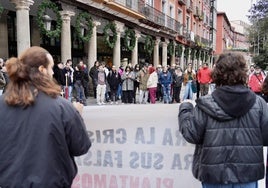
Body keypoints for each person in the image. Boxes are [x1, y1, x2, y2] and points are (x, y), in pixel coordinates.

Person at [0, 46, 91, 187]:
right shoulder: (61, 107)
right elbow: (81, 146)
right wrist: (77, 114)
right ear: (42, 70)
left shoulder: (3, 103)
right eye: (51, 68)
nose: (53, 72)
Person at [178, 52, 268, 188]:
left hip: (214, 174)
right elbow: (266, 137)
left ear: (217, 73)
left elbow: (191, 134)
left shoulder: (205, 103)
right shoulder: (259, 103)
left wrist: (185, 108)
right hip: (247, 174)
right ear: (243, 73)